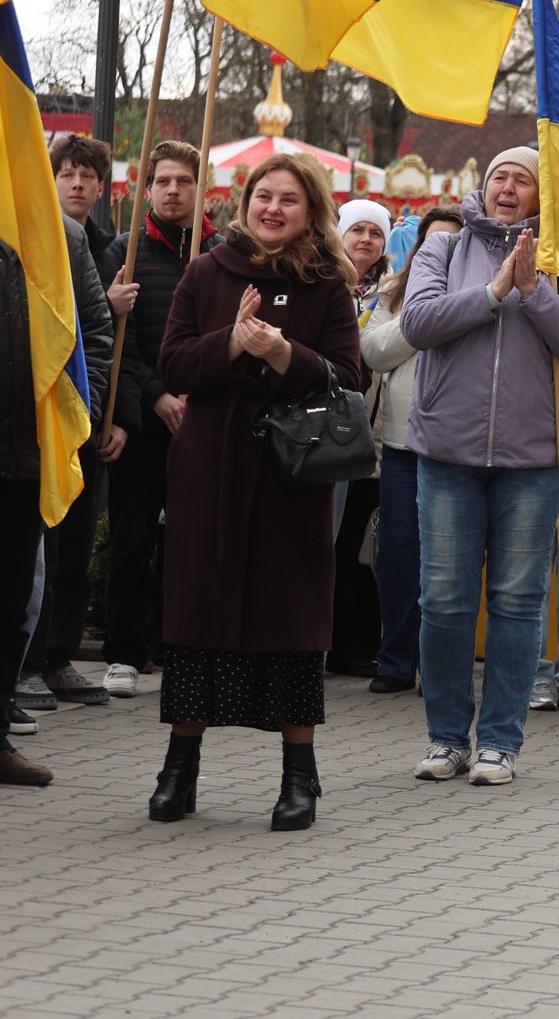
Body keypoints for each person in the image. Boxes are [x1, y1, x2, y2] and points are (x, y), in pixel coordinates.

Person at [146, 154, 365, 830]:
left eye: (289, 201)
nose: (273, 209)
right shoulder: (207, 271)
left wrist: (282, 355)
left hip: (289, 480)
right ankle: (179, 770)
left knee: (289, 617)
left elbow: (348, 378)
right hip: (209, 470)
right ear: (244, 202)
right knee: (195, 614)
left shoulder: (327, 282)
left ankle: (298, 775)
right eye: (263, 196)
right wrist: (232, 344)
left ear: (311, 211)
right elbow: (173, 361)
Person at [401, 147, 559, 787]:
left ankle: (499, 743)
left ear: (543, 196)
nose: (509, 189)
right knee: (446, 601)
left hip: (533, 458)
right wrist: (492, 293)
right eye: (499, 178)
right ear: (482, 188)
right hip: (447, 451)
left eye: (523, 180)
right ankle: (445, 738)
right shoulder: (442, 249)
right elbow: (418, 320)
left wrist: (535, 294)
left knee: (519, 602)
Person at [102, 140, 219, 700]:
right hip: (146, 421)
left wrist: (197, 393)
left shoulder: (220, 253)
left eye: (184, 181)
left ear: (202, 189)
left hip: (204, 419)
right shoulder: (124, 253)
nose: (174, 191)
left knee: (192, 541)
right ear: (147, 189)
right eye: (164, 181)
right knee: (132, 536)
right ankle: (124, 651)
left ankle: (178, 645)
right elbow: (116, 346)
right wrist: (156, 396)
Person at [0, 213, 113, 787]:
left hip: (24, 455)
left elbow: (92, 327)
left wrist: (78, 420)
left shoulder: (58, 231)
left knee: (14, 601)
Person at [21, 136, 126, 711]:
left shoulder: (76, 238)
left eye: (88, 175)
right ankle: (25, 663)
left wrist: (90, 408)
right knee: (31, 552)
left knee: (72, 546)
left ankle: (57, 656)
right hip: (19, 425)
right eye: (66, 173)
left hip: (71, 418)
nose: (76, 184)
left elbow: (96, 329)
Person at [359, 206, 463, 694]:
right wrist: (424, 318)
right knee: (399, 553)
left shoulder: (481, 293)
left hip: (456, 445)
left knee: (449, 558)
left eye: (454, 243)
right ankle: (395, 658)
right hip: (401, 443)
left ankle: (438, 663)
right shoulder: (395, 291)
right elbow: (373, 351)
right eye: (434, 242)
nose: (443, 251)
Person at [328, 198, 393, 679]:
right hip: (323, 435)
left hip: (373, 440)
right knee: (324, 545)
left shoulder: (393, 292)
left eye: (375, 232)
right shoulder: (325, 283)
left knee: (358, 549)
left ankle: (355, 645)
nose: (366, 240)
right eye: (358, 230)